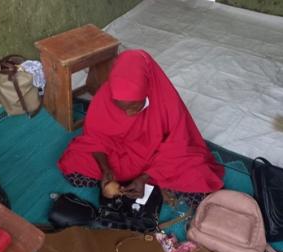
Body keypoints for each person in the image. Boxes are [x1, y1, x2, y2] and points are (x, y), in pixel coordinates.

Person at [58, 49, 224, 207]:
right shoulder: (105, 95)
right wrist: (106, 169)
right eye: (122, 108)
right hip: (119, 152)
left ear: (147, 88)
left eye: (135, 106)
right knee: (74, 162)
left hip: (157, 156)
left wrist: (145, 177)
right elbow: (95, 138)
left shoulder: (166, 101)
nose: (129, 114)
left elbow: (178, 144)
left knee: (196, 174)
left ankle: (151, 181)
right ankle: (158, 185)